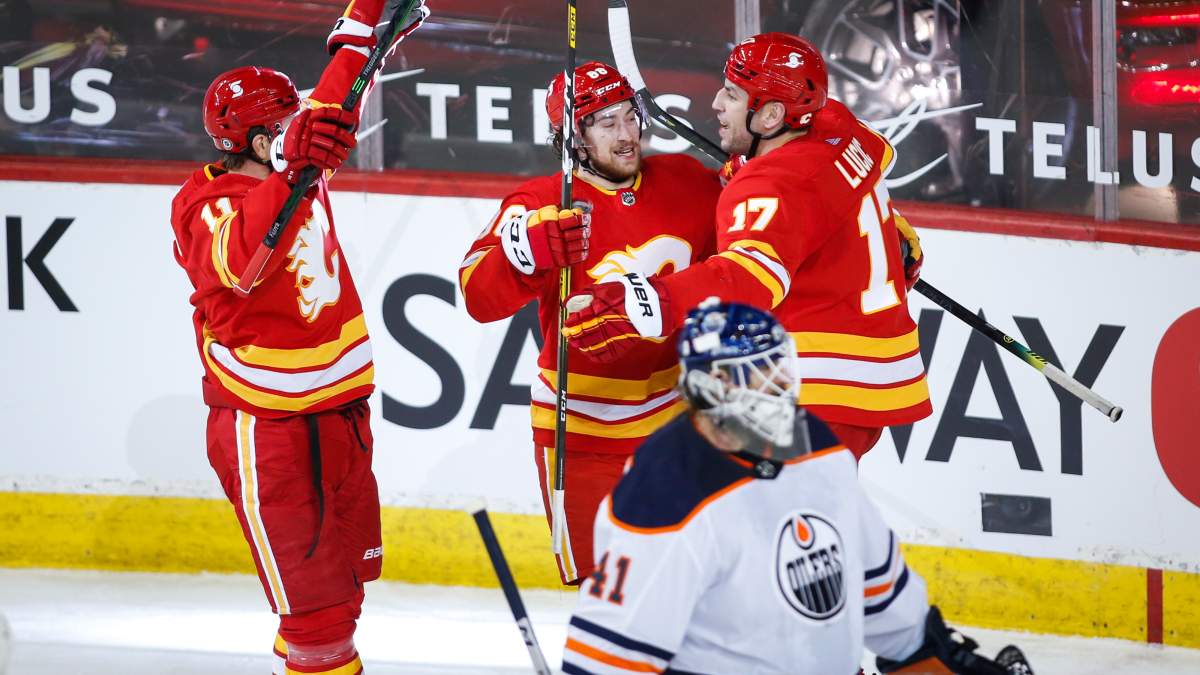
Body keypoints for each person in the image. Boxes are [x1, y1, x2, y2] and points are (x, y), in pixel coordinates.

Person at [562, 299, 1033, 675]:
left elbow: (888, 607)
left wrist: (928, 655)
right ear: (713, 385)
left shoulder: (815, 445)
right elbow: (610, 658)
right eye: (759, 371)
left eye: (779, 364)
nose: (782, 382)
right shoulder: (665, 491)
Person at [169, 1, 427, 672]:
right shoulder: (205, 204)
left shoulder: (293, 166)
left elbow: (332, 105)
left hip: (341, 416)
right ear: (256, 142)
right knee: (320, 625)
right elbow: (245, 264)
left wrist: (369, 27)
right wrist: (289, 168)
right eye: (283, 130)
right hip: (269, 432)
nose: (303, 136)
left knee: (342, 595)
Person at [563, 33, 931, 459]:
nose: (717, 102)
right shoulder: (840, 126)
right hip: (876, 381)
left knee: (730, 510)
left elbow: (749, 276)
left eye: (733, 95)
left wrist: (646, 302)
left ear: (772, 115)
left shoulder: (767, 185)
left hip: (811, 390)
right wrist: (894, 231)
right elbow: (851, 175)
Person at [457, 61, 720, 585]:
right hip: (581, 431)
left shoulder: (689, 179)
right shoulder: (539, 203)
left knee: (691, 583)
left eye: (630, 117)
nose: (627, 136)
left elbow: (753, 252)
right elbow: (476, 297)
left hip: (678, 422)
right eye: (606, 124)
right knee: (608, 593)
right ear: (572, 139)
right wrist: (524, 252)